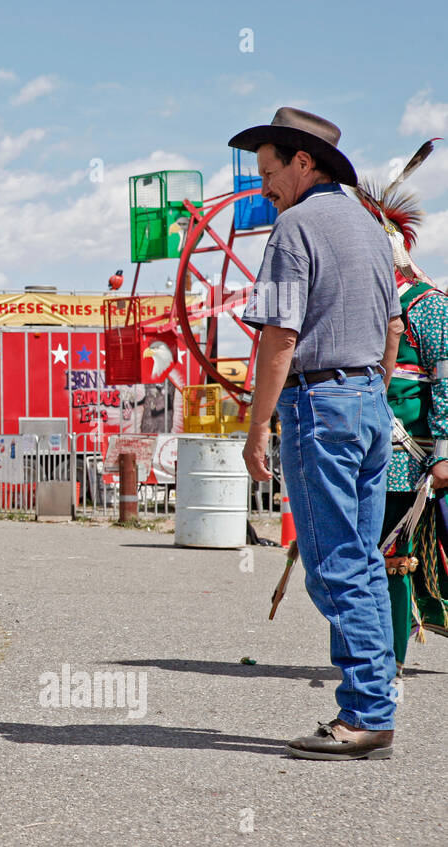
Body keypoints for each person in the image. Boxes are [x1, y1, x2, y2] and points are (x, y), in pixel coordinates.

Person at [234, 107, 401, 760]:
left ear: (304, 162)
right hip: (367, 404)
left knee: (334, 568)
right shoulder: (370, 229)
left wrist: (257, 430)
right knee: (362, 562)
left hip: (320, 408)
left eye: (269, 173)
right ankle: (372, 705)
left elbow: (279, 337)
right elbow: (391, 328)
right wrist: (373, 394)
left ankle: (366, 714)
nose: (265, 189)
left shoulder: (296, 226)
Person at [354, 160, 448, 680]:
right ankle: (369, 657)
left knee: (391, 557)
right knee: (360, 555)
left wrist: (444, 450)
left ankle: (387, 660)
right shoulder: (361, 301)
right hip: (361, 445)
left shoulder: (430, 305)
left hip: (405, 455)